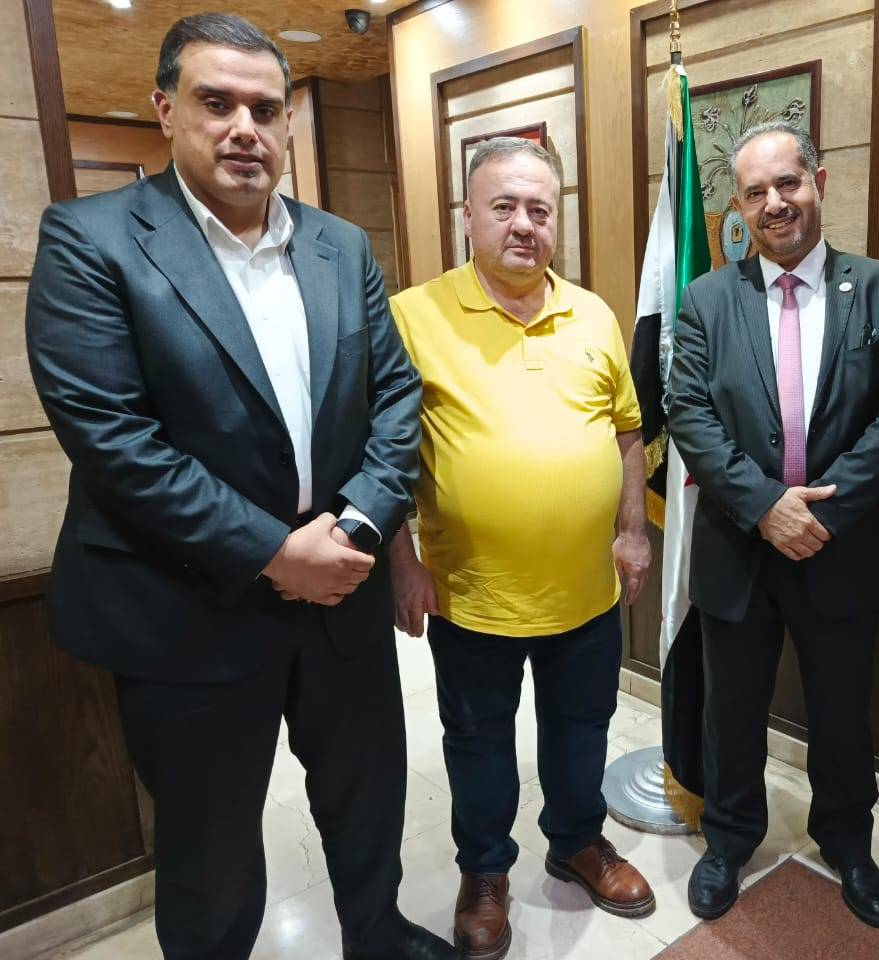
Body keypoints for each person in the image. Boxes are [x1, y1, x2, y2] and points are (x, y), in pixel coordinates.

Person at [25, 14, 456, 960]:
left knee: (367, 795)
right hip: (186, 604)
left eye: (265, 109)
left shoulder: (341, 245)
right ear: (165, 108)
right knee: (210, 849)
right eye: (216, 103)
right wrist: (271, 552)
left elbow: (395, 396)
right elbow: (113, 439)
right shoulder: (92, 241)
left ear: (288, 122)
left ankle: (378, 936)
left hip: (339, 581)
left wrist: (357, 525)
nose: (243, 129)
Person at [388, 137, 655, 960]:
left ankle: (576, 841)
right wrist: (401, 561)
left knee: (582, 728)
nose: (524, 224)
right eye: (503, 206)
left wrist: (633, 529)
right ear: (467, 215)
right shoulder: (413, 315)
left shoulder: (594, 313)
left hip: (586, 590)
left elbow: (627, 430)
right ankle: (485, 871)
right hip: (473, 594)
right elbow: (380, 451)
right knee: (479, 742)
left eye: (540, 208)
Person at [667, 122, 879, 929]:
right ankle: (728, 841)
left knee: (843, 712)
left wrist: (823, 511)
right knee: (731, 713)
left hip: (838, 547)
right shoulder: (708, 299)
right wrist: (764, 507)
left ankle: (849, 844)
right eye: (755, 192)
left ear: (819, 181)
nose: (774, 203)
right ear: (739, 207)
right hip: (738, 547)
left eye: (788, 183)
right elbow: (689, 413)